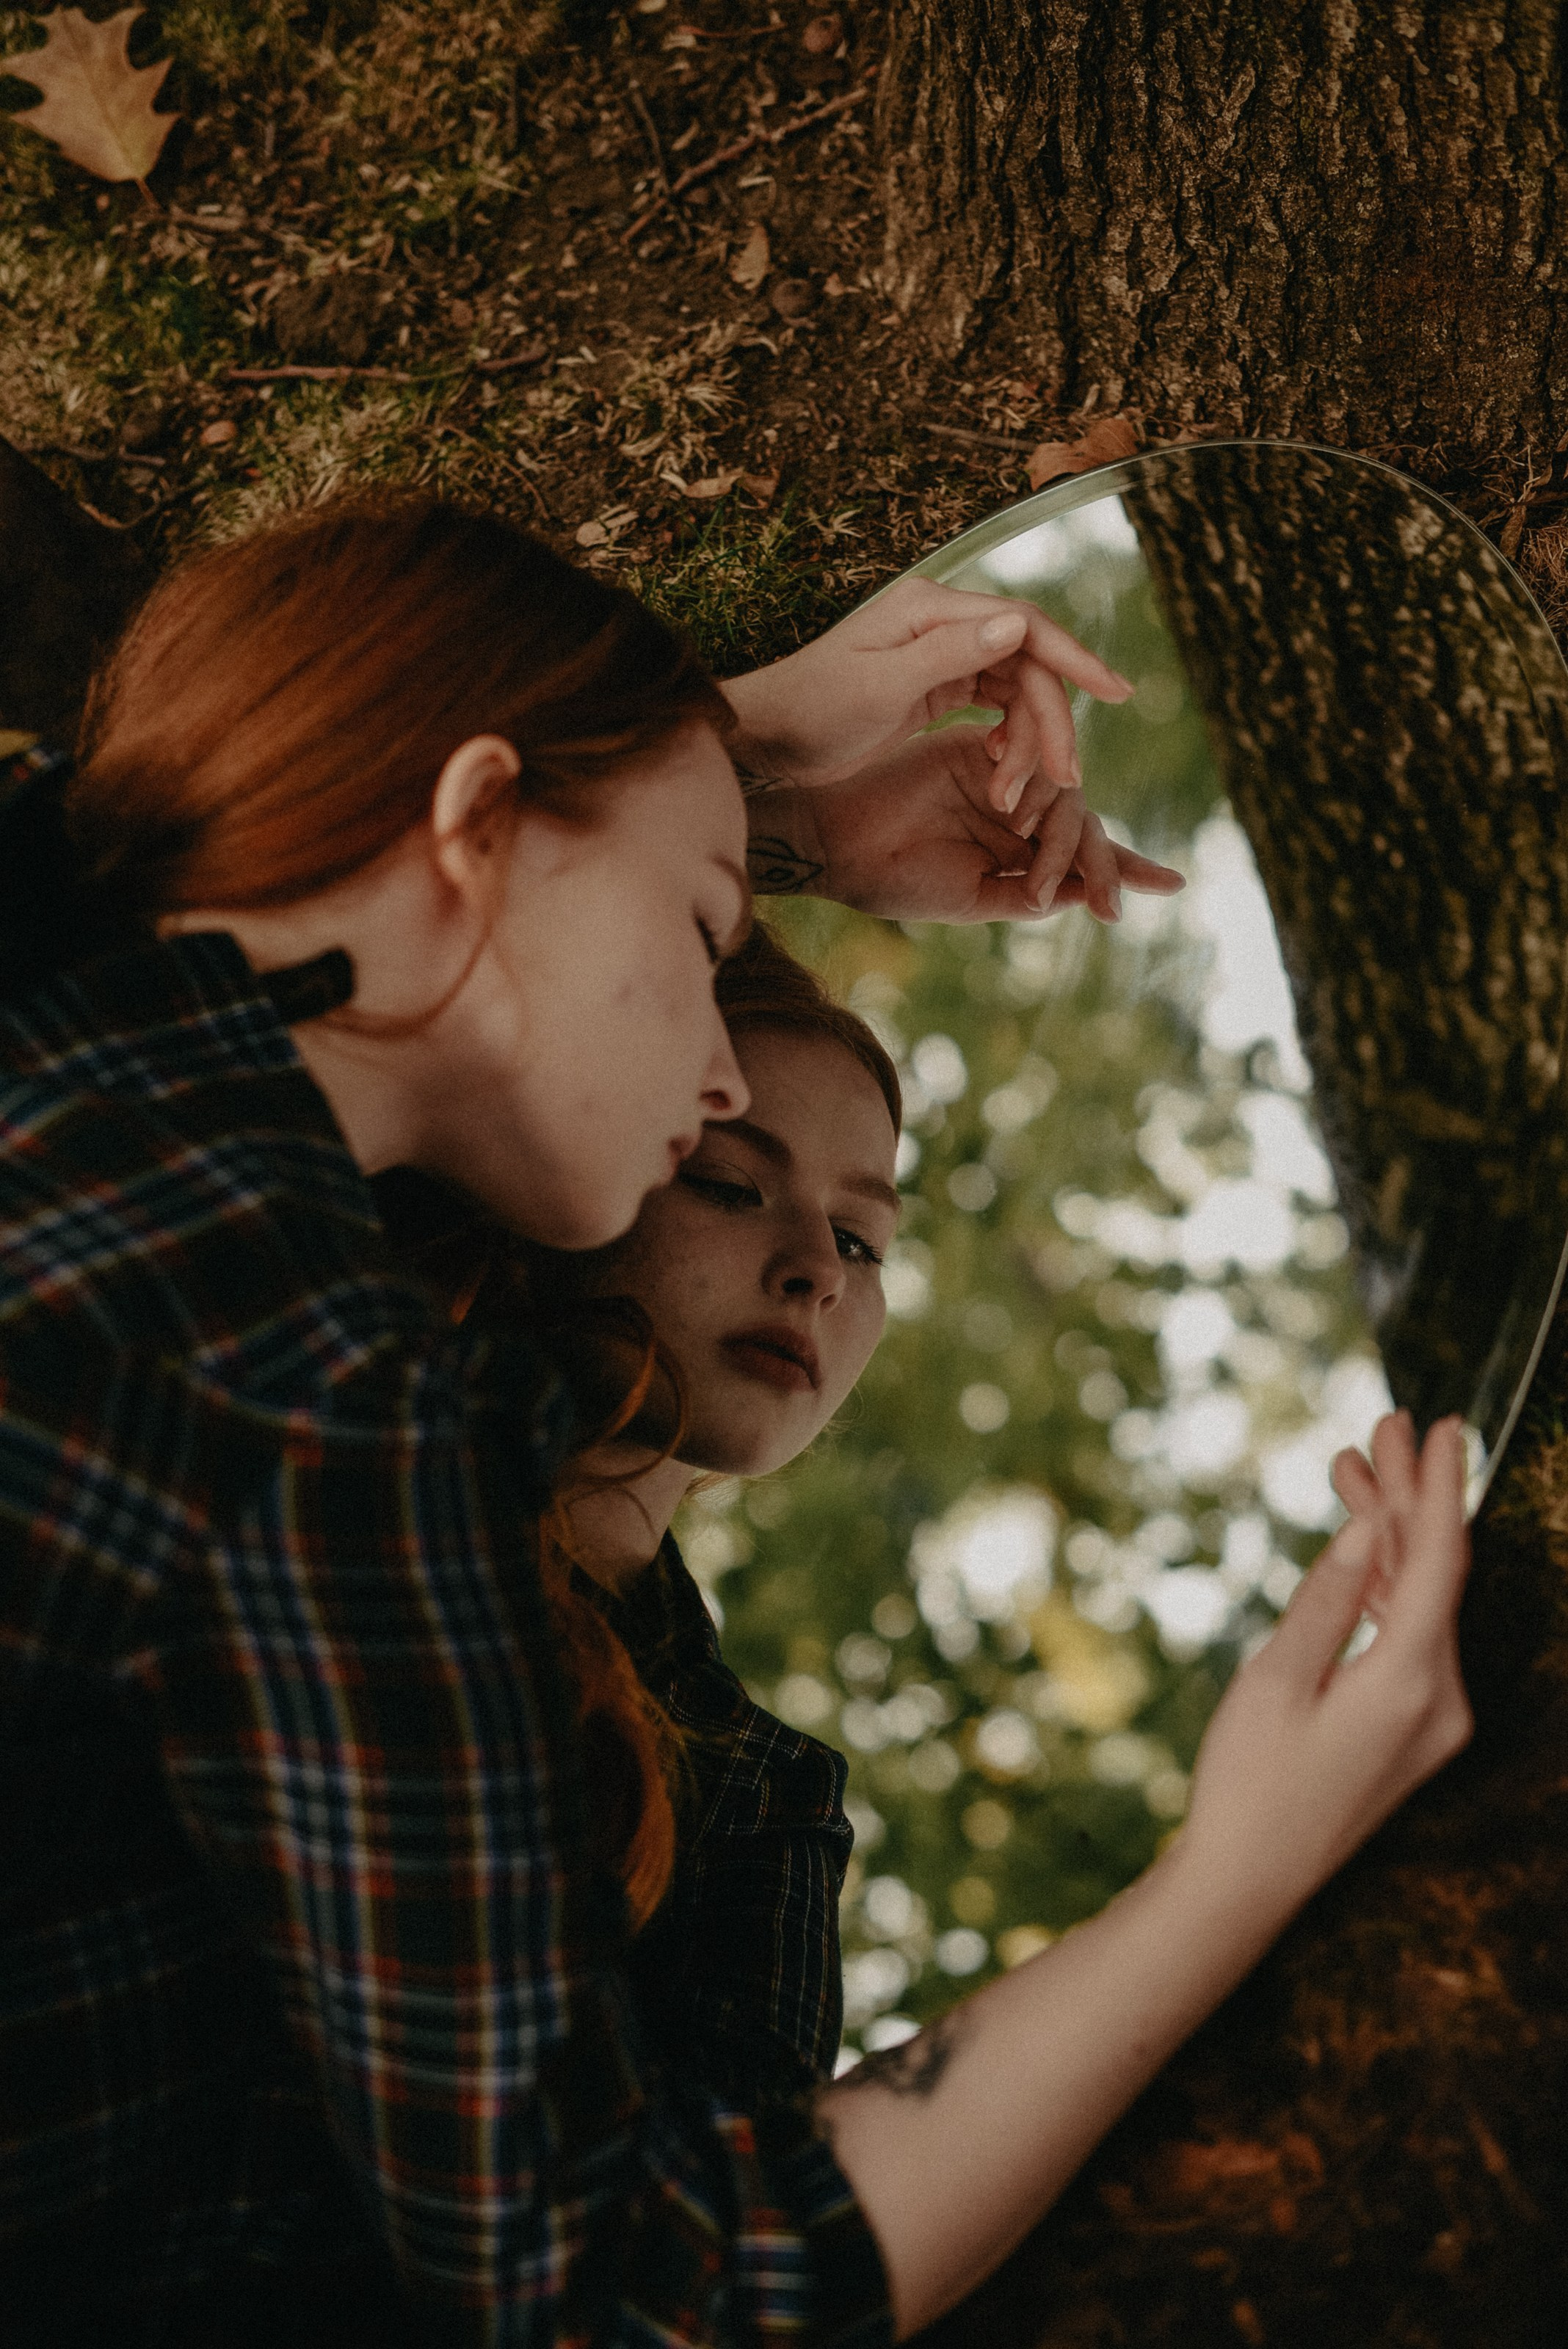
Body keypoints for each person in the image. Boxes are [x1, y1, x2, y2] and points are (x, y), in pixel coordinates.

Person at [0, 490, 1182, 2349]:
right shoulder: (314, 1394)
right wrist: (1255, 1841)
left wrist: (718, 783)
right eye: (711, 931)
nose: (713, 1053)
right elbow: (624, 2286)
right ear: (474, 819)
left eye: (871, 1232)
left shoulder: (70, 1039)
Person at [507, 923, 1474, 2337]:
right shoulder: (340, 1467)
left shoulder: (764, 1799)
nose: (816, 1273)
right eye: (729, 1183)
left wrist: (1243, 1859)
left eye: (862, 1238)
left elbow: (709, 2280)